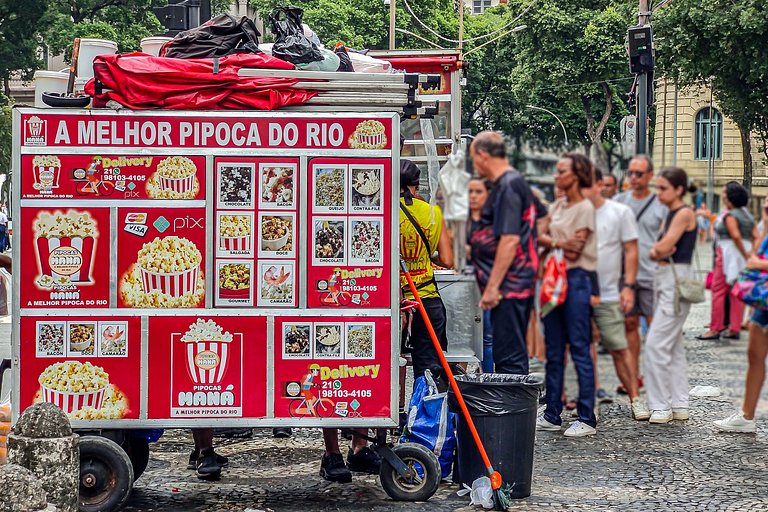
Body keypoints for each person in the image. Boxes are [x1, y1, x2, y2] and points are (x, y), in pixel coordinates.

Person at [468, 131, 546, 375]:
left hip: (509, 285)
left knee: (509, 356)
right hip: (514, 281)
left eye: (474, 158)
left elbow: (509, 239)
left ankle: (513, 400)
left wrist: (493, 287)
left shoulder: (508, 185)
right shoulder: (512, 183)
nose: (475, 164)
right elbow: (541, 218)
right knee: (507, 351)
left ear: (483, 155)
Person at [536, 153, 598, 437]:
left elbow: (575, 249)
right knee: (554, 350)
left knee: (580, 349)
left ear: (576, 175)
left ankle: (587, 417)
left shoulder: (585, 208)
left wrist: (551, 241)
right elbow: (539, 234)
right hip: (555, 279)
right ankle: (552, 413)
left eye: (562, 171)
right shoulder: (559, 205)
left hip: (576, 279)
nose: (556, 176)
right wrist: (559, 241)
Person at [586, 169, 651, 420]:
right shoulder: (574, 211)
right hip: (579, 290)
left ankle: (635, 398)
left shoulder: (619, 212)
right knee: (583, 348)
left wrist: (628, 286)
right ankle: (587, 400)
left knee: (618, 347)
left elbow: (631, 250)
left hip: (609, 290)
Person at [644, 167, 698, 424]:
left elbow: (663, 247)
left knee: (655, 345)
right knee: (673, 346)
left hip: (675, 281)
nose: (658, 192)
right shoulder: (671, 213)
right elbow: (660, 250)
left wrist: (657, 250)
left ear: (679, 189)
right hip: (668, 279)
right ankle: (678, 403)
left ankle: (660, 405)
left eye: (663, 188)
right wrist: (658, 250)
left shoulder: (683, 213)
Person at [614, 155, 668, 395]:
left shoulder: (660, 205)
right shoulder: (619, 202)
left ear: (650, 176)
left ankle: (656, 376)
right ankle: (633, 376)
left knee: (655, 328)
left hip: (652, 273)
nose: (634, 178)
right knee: (629, 324)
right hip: (624, 274)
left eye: (639, 173)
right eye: (631, 173)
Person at [714, 212, 768, 433]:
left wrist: (760, 264)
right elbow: (756, 254)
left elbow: (756, 261)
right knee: (754, 355)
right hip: (764, 299)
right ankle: (746, 416)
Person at [697, 182, 758, 341]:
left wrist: (745, 254)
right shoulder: (747, 215)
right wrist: (750, 253)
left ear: (731, 196)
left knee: (718, 290)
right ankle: (734, 327)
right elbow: (756, 236)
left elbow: (735, 235)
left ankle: (715, 327)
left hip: (727, 253)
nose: (723, 196)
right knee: (737, 291)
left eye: (725, 193)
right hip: (740, 255)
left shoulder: (730, 215)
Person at [467, 177, 494, 373]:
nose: (473, 196)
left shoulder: (493, 221)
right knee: (470, 336)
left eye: (478, 192)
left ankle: (489, 376)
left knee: (487, 336)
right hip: (467, 284)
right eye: (470, 192)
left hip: (488, 283)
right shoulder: (465, 221)